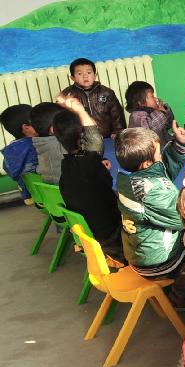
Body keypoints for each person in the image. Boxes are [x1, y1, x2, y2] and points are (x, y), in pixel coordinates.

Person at [115, 125, 185, 309]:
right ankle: (180, 297)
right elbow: (184, 218)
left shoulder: (129, 178)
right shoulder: (150, 192)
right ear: (146, 164)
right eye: (159, 154)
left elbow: (161, 171)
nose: (161, 157)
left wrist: (179, 145)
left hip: (142, 253)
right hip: (158, 262)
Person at [53, 107, 125, 262]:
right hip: (112, 240)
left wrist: (98, 166)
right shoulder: (92, 163)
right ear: (83, 136)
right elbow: (108, 192)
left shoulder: (66, 165)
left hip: (87, 237)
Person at [32, 100, 102, 185]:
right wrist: (81, 112)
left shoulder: (41, 145)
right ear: (53, 129)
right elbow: (94, 142)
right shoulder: (61, 146)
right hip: (75, 193)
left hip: (55, 194)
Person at [57, 57, 126, 138]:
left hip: (107, 137)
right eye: (80, 74)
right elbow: (61, 119)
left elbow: (117, 114)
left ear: (95, 75)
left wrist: (118, 131)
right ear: (72, 77)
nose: (85, 76)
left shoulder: (106, 92)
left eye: (89, 72)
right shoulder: (67, 95)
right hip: (82, 140)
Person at [0, 104, 39, 200]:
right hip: (56, 196)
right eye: (38, 120)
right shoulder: (37, 146)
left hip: (37, 198)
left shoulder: (10, 152)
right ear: (26, 127)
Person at [125, 80, 175, 146]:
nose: (156, 99)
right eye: (152, 96)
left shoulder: (153, 111)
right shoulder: (137, 116)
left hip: (163, 145)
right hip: (147, 152)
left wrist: (165, 110)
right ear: (140, 102)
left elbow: (168, 125)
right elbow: (151, 131)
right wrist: (161, 112)